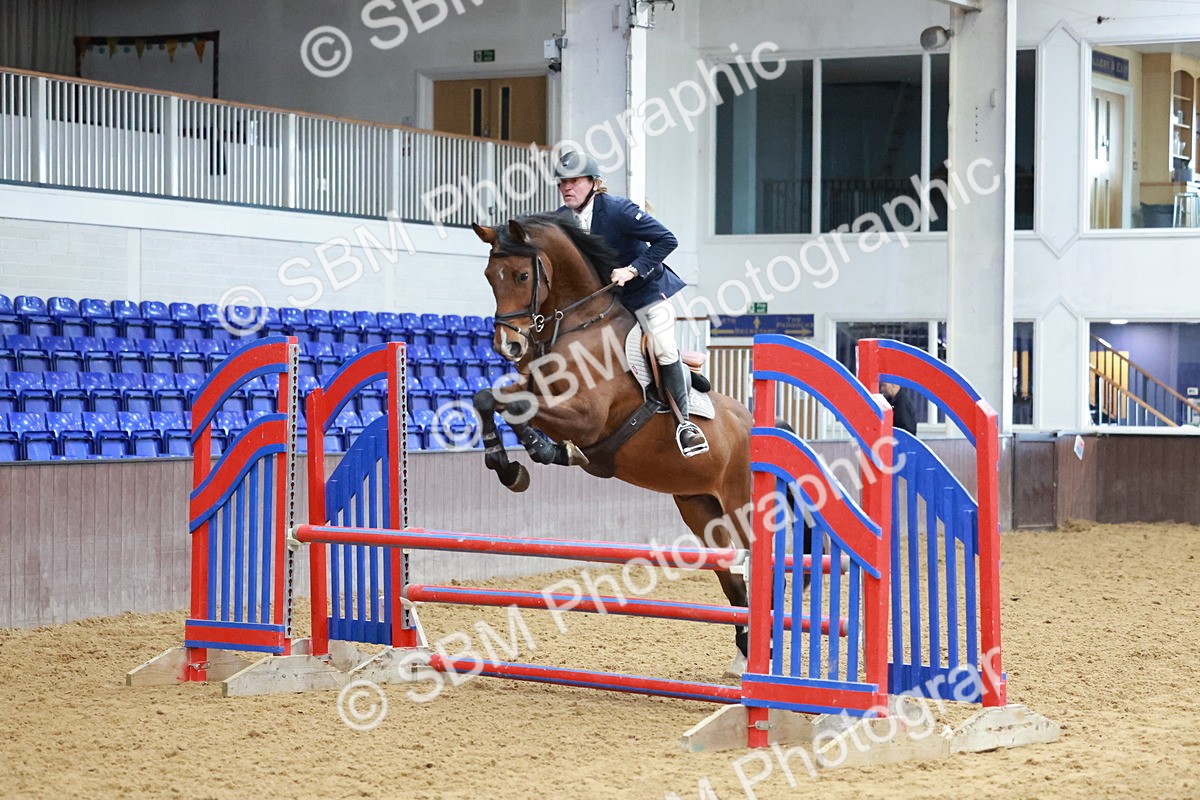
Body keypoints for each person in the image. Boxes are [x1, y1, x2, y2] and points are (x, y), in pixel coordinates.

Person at [554, 150, 708, 457]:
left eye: (574, 181)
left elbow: (667, 240)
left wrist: (633, 269)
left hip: (645, 293)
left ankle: (685, 425)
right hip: (607, 304)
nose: (567, 188)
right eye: (562, 183)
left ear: (593, 183)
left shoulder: (618, 210)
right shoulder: (561, 220)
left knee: (663, 345)